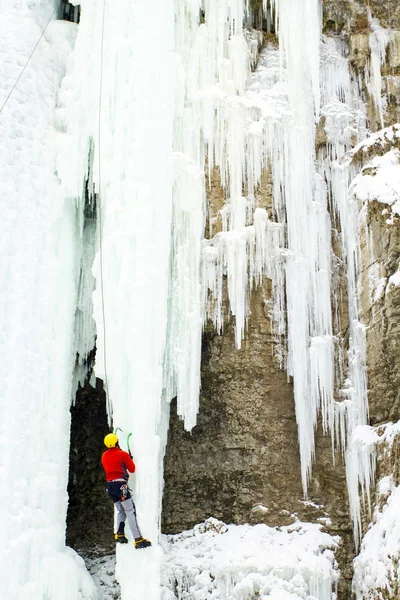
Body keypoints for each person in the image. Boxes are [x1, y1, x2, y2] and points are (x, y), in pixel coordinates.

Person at [102, 433, 151, 549]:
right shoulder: (122, 454)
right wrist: (129, 459)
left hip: (110, 487)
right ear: (117, 442)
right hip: (121, 486)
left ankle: (119, 534)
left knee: (121, 510)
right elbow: (132, 469)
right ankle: (138, 539)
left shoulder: (104, 456)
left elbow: (113, 466)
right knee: (130, 510)